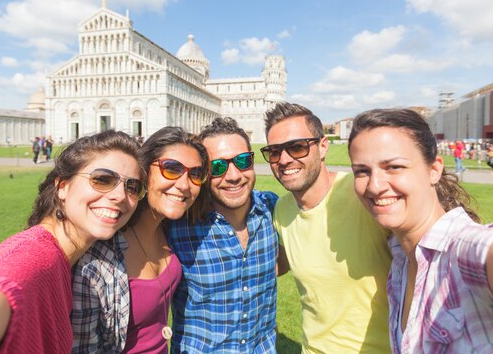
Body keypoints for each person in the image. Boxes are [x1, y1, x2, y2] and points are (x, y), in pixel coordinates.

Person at [0, 130, 145, 354]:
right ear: (62, 186)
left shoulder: (66, 258)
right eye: (102, 179)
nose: (120, 196)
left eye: (132, 186)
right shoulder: (32, 258)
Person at [348, 108, 493, 353]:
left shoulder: (467, 249)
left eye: (394, 167)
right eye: (362, 171)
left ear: (434, 170)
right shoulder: (400, 258)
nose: (374, 186)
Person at [262, 102, 392, 354]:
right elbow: (282, 263)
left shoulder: (364, 194)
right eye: (275, 152)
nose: (285, 160)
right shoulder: (282, 210)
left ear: (322, 147)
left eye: (297, 147)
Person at [71, 127, 209, 354]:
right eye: (171, 169)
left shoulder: (173, 228)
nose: (185, 185)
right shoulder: (101, 251)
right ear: (144, 171)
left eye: (195, 174)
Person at [168, 117, 279, 353]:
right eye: (217, 167)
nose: (233, 175)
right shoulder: (177, 226)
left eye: (242, 161)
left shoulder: (272, 209)